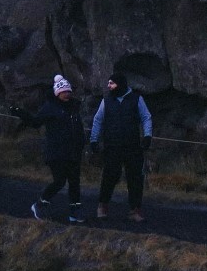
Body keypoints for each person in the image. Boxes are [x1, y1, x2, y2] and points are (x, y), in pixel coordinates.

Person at [12, 74, 87, 222]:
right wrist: (20, 112)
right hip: (56, 151)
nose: (67, 94)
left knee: (74, 182)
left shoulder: (74, 108)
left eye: (69, 91)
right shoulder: (50, 108)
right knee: (59, 181)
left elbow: (78, 128)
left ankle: (75, 212)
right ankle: (40, 204)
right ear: (57, 93)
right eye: (64, 91)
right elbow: (35, 122)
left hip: (73, 151)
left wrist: (81, 143)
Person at [90, 71, 152, 221]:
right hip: (112, 146)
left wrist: (147, 135)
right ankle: (102, 205)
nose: (108, 86)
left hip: (132, 146)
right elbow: (98, 120)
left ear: (120, 84)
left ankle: (135, 210)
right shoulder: (106, 101)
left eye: (111, 83)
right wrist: (93, 139)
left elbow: (146, 117)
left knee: (135, 179)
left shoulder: (137, 99)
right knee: (109, 176)